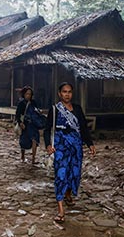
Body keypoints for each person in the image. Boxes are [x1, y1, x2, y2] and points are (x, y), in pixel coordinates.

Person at [45, 82, 96, 223]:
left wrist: (90, 143)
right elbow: (47, 129)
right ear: (59, 94)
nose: (67, 94)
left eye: (69, 92)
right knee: (61, 175)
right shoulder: (55, 109)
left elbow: (84, 128)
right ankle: (61, 209)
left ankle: (68, 193)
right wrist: (49, 145)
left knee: (74, 173)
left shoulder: (78, 109)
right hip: (60, 147)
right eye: (64, 92)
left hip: (76, 147)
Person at [15, 86, 41, 164]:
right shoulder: (21, 103)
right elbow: (17, 114)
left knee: (34, 140)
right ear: (24, 94)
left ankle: (33, 158)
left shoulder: (33, 103)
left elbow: (36, 111)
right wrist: (20, 123)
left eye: (30, 94)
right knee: (24, 141)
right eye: (27, 94)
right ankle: (22, 156)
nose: (28, 96)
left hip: (33, 124)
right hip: (25, 124)